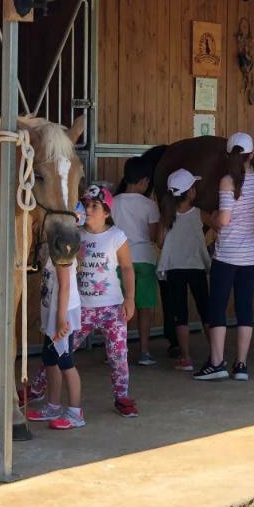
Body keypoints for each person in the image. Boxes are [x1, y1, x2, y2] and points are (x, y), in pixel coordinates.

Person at [196, 132, 254, 382]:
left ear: (228, 155)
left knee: (218, 306)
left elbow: (224, 221)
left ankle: (216, 363)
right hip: (252, 255)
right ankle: (241, 364)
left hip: (227, 255)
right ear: (253, 155)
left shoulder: (227, 181)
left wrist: (209, 216)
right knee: (244, 308)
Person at [74, 185, 138, 417]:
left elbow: (127, 268)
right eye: (86, 204)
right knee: (60, 350)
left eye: (95, 206)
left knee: (118, 355)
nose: (89, 210)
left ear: (107, 212)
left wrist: (130, 298)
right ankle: (39, 388)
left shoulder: (116, 236)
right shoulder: (76, 234)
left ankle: (122, 397)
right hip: (81, 307)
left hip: (112, 307)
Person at [26, 209, 87, 429]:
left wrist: (61, 320)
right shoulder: (51, 242)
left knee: (65, 361)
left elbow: (65, 285)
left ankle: (75, 412)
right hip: (52, 311)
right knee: (49, 359)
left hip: (62, 312)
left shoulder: (63, 246)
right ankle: (53, 405)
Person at [158, 168, 211, 373]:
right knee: (206, 311)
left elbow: (161, 243)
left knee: (180, 314)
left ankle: (185, 357)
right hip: (196, 266)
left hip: (174, 268)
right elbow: (218, 225)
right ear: (190, 193)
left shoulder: (167, 216)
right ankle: (216, 354)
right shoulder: (200, 213)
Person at [111, 156, 161, 366]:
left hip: (119, 260)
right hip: (145, 259)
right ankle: (144, 351)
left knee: (119, 308)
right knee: (145, 307)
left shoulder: (113, 202)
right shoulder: (150, 205)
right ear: (143, 181)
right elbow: (152, 236)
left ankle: (115, 351)